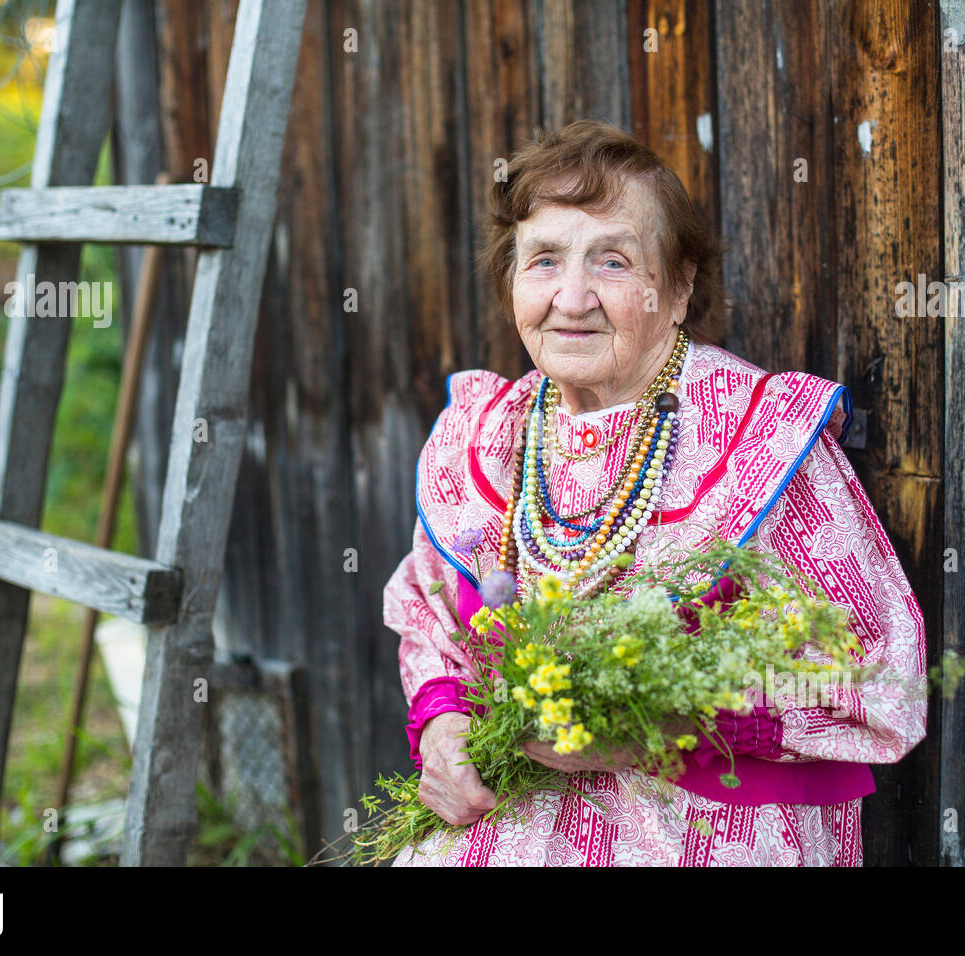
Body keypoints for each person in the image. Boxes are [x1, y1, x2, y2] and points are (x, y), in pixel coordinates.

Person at [383, 119, 927, 866]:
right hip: (512, 817)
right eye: (543, 260)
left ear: (677, 287)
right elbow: (433, 612)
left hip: (702, 829)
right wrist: (443, 727)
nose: (570, 297)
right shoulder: (487, 434)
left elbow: (880, 678)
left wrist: (660, 727)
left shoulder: (761, 443)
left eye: (612, 260)